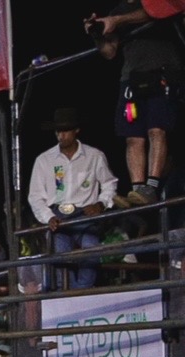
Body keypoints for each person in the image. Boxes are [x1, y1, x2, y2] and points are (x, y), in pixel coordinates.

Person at [89, 3, 185, 206]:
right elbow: (110, 52)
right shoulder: (117, 10)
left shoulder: (156, 3)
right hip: (131, 78)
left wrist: (116, 21)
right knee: (133, 137)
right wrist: (96, 32)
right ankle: (137, 189)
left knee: (156, 130)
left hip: (162, 72)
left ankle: (151, 187)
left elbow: (155, 12)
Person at [26, 107, 119, 290]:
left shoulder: (95, 156)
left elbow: (109, 183)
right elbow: (35, 196)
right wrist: (48, 217)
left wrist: (101, 203)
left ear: (76, 130)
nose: (62, 135)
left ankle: (81, 292)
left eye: (66, 130)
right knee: (60, 257)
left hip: (86, 215)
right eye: (58, 131)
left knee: (91, 252)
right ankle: (67, 295)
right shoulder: (44, 160)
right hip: (59, 216)